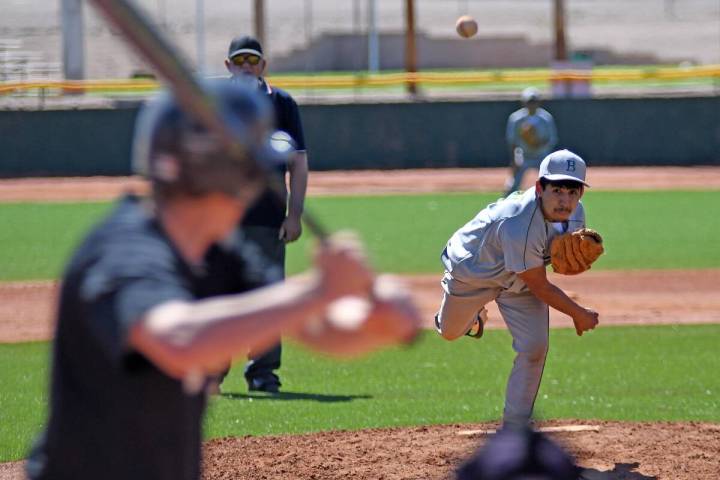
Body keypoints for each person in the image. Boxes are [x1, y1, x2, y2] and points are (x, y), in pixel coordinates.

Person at [25, 83, 418, 480]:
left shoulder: (216, 254)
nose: (258, 183)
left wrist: (375, 322)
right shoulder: (123, 252)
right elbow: (176, 339)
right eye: (252, 168)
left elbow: (311, 326)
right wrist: (317, 290)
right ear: (211, 172)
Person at [435, 149, 599, 429]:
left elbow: (553, 262)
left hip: (518, 278)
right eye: (557, 189)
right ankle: (475, 316)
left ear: (581, 194)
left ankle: (515, 428)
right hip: (474, 271)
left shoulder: (575, 216)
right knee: (450, 332)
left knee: (535, 347)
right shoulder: (519, 221)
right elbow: (540, 285)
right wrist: (578, 313)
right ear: (539, 188)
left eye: (573, 192)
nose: (565, 199)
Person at [222, 35, 308, 392]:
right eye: (239, 60)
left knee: (268, 298)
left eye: (252, 61)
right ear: (228, 66)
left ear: (263, 65)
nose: (246, 66)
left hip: (267, 215)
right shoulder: (214, 103)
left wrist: (295, 214)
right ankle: (211, 373)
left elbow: (298, 162)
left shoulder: (282, 103)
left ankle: (262, 373)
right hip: (221, 218)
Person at [504, 87, 558, 197]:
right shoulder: (516, 118)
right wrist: (514, 159)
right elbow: (512, 141)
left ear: (538, 102)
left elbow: (552, 139)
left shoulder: (546, 118)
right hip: (523, 155)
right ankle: (505, 206)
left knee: (551, 183)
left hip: (541, 155)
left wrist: (538, 143)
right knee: (513, 185)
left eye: (534, 101)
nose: (531, 104)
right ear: (524, 102)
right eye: (529, 101)